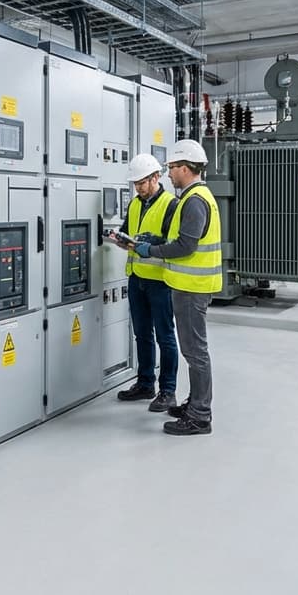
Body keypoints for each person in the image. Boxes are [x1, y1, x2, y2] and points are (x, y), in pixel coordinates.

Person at [128, 139, 222, 437]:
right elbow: (179, 239)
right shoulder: (193, 196)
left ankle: (199, 416)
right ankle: (194, 404)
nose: (169, 174)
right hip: (187, 285)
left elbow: (185, 245)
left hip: (193, 287)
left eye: (171, 168)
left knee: (195, 353)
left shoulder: (195, 199)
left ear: (185, 168)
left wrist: (150, 251)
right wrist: (153, 242)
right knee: (192, 351)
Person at [107, 153, 178, 412]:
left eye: (142, 182)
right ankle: (146, 383)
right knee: (141, 335)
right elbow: (129, 231)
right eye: (135, 183)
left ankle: (168, 391)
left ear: (156, 177)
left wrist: (150, 243)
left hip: (160, 282)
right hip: (137, 279)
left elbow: (175, 244)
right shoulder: (135, 204)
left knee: (165, 336)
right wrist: (119, 238)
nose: (138, 187)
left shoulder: (171, 204)